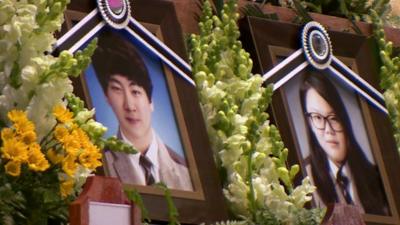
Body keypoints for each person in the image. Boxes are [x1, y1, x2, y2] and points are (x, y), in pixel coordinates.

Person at [91, 30, 193, 191]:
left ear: (150, 100)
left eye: (136, 91)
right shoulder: (98, 164)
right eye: (117, 89)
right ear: (107, 97)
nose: (129, 106)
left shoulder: (187, 172)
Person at [299, 72, 389, 215]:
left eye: (333, 118)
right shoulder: (303, 182)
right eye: (317, 117)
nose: (328, 130)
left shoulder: (377, 177)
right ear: (309, 123)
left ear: (344, 119)